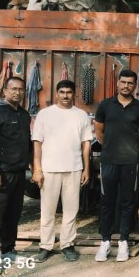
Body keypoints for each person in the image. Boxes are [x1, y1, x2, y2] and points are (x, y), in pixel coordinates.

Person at [31, 80, 92, 263]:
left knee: (71, 210)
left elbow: (86, 144)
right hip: (49, 169)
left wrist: (86, 168)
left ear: (74, 94)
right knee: (47, 211)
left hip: (74, 168)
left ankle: (67, 244)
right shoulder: (45, 114)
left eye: (69, 92)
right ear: (57, 93)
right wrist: (37, 169)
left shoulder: (81, 115)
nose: (65, 96)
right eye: (62, 92)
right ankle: (45, 245)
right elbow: (37, 143)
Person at [94, 69, 139, 262]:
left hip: (130, 162)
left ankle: (124, 241)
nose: (126, 86)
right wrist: (110, 147)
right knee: (107, 202)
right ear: (117, 83)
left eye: (130, 83)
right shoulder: (105, 105)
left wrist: (131, 149)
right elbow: (99, 131)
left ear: (135, 86)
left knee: (128, 202)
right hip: (109, 160)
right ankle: (105, 241)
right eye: (123, 82)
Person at [0, 76, 32, 277]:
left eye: (21, 89)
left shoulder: (24, 115)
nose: (17, 92)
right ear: (5, 91)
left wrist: (32, 166)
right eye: (13, 89)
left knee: (12, 216)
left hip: (18, 173)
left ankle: (8, 251)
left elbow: (27, 144)